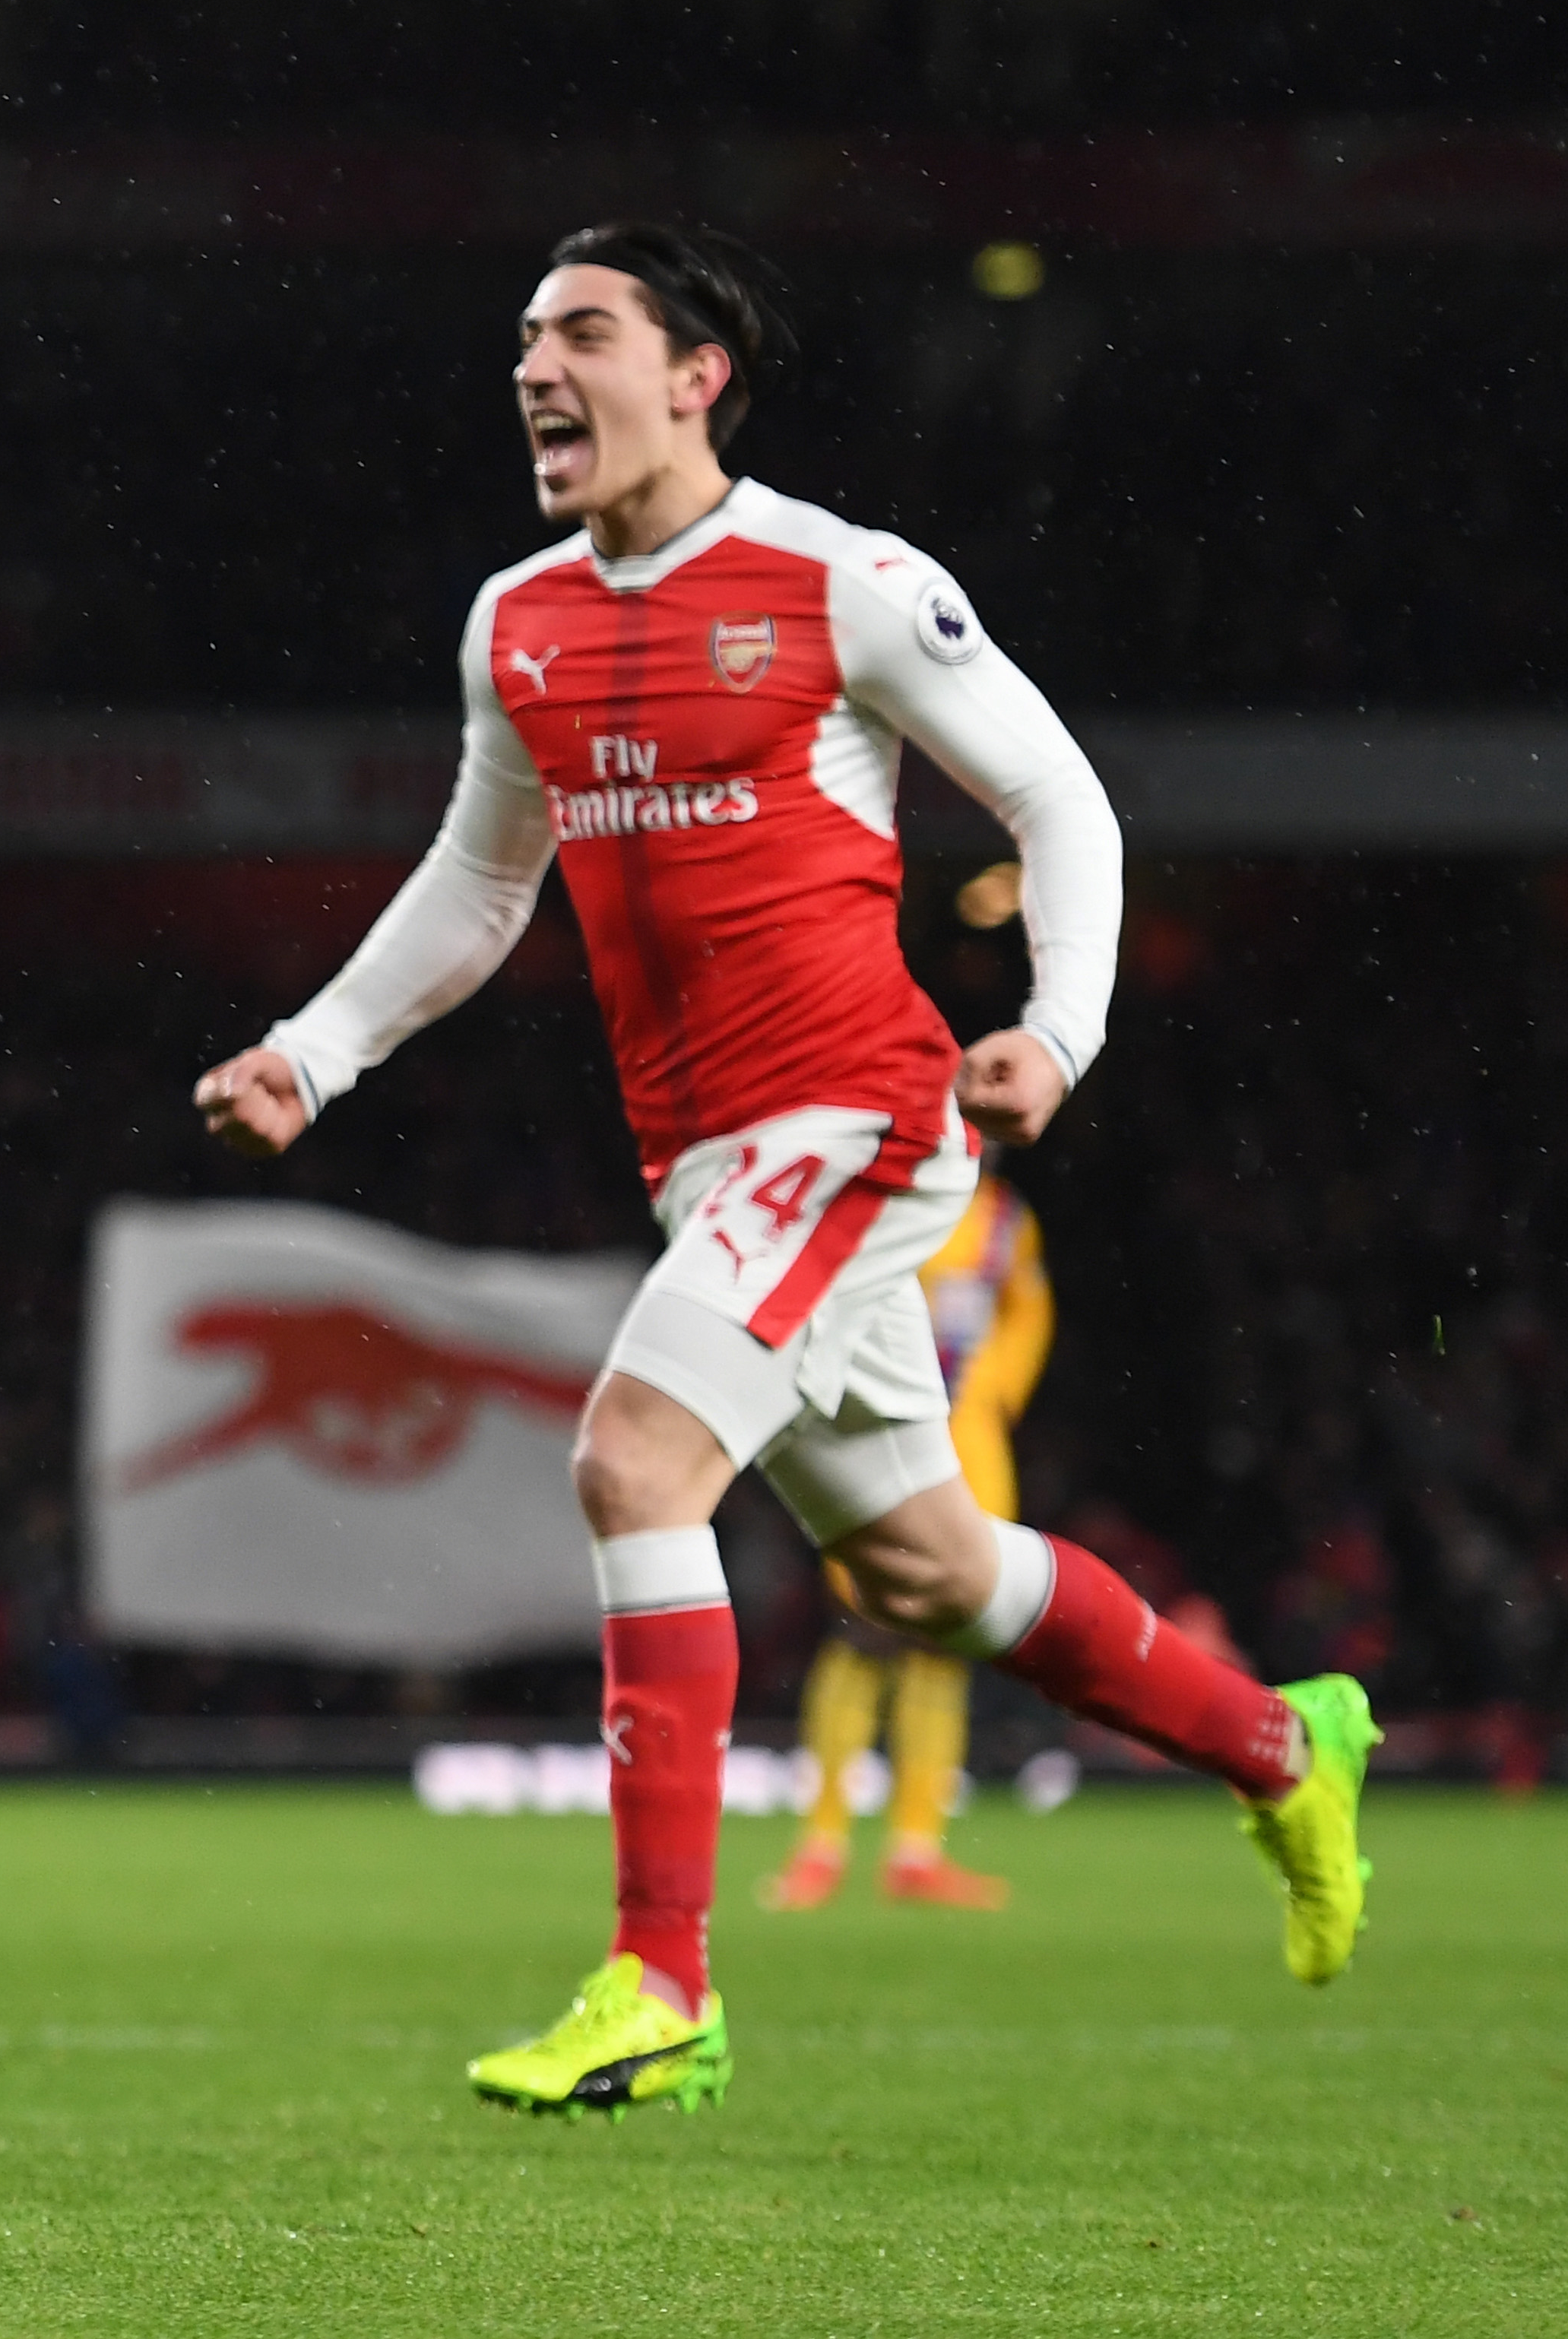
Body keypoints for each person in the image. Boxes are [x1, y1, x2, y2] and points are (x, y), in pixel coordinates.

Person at [192, 223, 1375, 2120]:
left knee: (630, 1460)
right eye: (519, 339)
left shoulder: (848, 585)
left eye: (579, 333)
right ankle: (1278, 1743)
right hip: (706, 1160)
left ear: (696, 374)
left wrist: (1058, 1031)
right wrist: (311, 1055)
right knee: (925, 1574)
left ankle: (661, 1981)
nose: (532, 370)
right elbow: (484, 883)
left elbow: (1055, 793)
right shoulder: (520, 624)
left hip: (855, 1118)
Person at [764, 1165, 1048, 1912]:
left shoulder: (1003, 1218)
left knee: (947, 1649)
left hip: (969, 1453)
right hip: (878, 1439)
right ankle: (820, 1844)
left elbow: (1028, 1309)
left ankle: (915, 1850)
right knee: (861, 1638)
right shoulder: (878, 1197)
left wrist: (997, 1394)